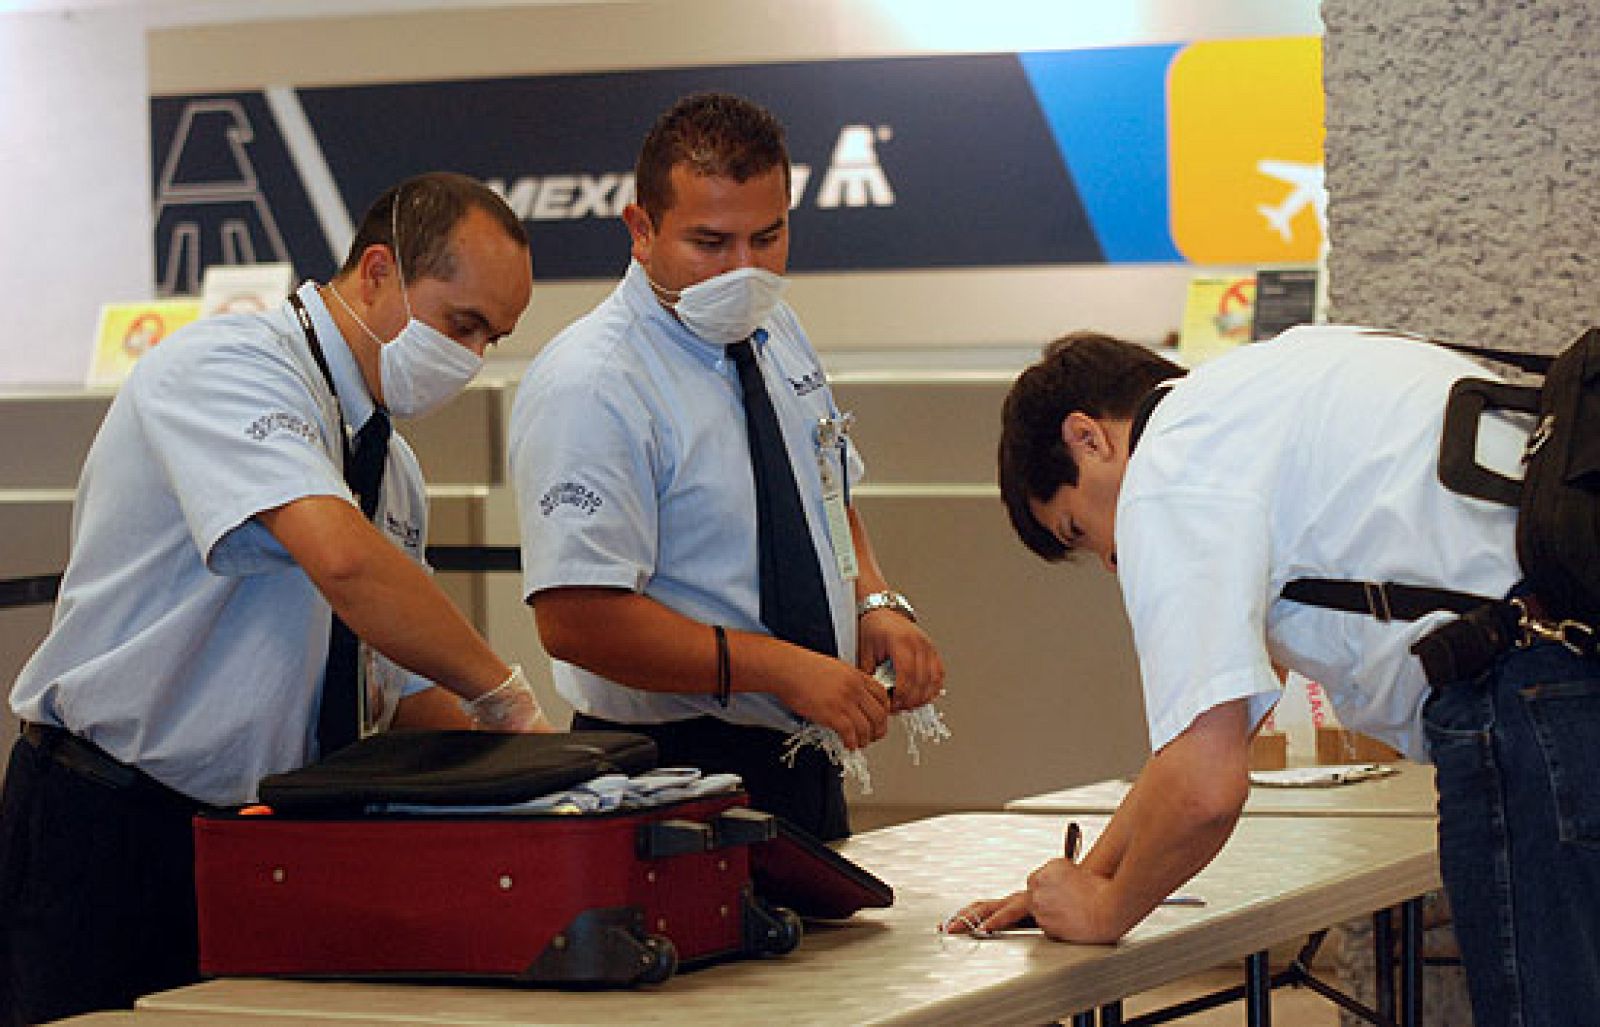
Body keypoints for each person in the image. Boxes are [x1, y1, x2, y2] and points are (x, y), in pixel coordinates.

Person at [1, 172, 553, 1024]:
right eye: (462, 324)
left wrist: (547, 778)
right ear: (378, 270)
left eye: (494, 338)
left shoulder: (390, 467)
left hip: (252, 840)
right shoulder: (228, 364)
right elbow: (345, 566)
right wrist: (504, 695)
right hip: (109, 825)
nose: (473, 357)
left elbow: (392, 686)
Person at [952, 324, 1599, 1025]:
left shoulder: (1168, 470)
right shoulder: (1274, 385)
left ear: (1089, 438)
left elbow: (1205, 787)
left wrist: (1104, 908)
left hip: (1530, 699)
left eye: (1078, 529)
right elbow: (1209, 737)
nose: (1110, 560)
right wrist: (1086, 875)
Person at [508, 92, 944, 842]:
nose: (744, 270)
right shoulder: (592, 382)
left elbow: (824, 488)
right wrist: (781, 668)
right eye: (710, 243)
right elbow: (576, 618)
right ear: (641, 230)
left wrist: (875, 599)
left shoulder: (774, 325)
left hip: (802, 754)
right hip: (665, 771)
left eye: (767, 237)